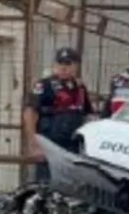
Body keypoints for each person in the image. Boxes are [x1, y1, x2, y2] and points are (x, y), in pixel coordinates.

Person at [23, 47, 94, 182]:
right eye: (60, 63)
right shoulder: (44, 85)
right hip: (50, 144)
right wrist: (34, 144)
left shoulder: (80, 88)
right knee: (45, 185)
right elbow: (30, 113)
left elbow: (88, 114)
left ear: (76, 66)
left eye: (68, 64)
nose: (63, 68)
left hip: (72, 147)